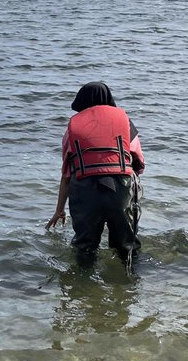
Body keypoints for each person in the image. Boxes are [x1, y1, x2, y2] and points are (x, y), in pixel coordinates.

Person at [45, 82, 145, 272]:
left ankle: (83, 287)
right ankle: (129, 284)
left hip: (84, 190)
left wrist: (59, 210)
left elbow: (66, 174)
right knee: (127, 245)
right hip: (120, 188)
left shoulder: (73, 129)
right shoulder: (125, 123)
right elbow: (139, 162)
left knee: (85, 247)